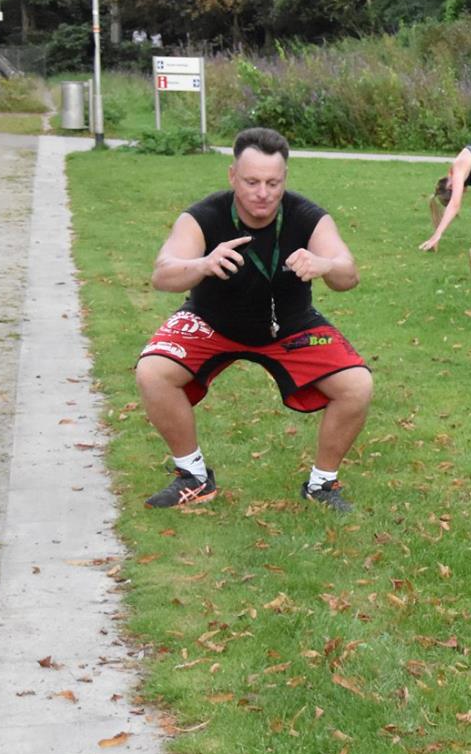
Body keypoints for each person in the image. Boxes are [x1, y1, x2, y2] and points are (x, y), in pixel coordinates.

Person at [135, 128, 374, 511]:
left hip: (290, 327)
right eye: (251, 182)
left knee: (357, 386)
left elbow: (349, 274)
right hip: (212, 323)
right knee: (152, 372)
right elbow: (163, 274)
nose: (262, 193)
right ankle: (193, 476)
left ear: (284, 179)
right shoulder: (203, 216)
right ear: (233, 176)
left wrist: (325, 264)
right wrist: (203, 264)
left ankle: (322, 485)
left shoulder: (307, 216)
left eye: (272, 183)